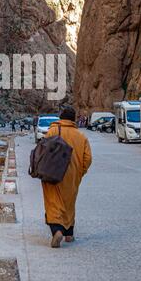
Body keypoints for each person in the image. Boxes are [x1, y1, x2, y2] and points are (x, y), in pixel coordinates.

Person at [42, 105, 92, 248]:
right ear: (73, 120)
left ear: (61, 118)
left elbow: (44, 151)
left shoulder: (52, 130)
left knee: (53, 202)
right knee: (69, 202)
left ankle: (57, 231)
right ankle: (69, 234)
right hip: (72, 176)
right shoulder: (81, 136)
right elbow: (88, 158)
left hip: (52, 173)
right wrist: (79, 172)